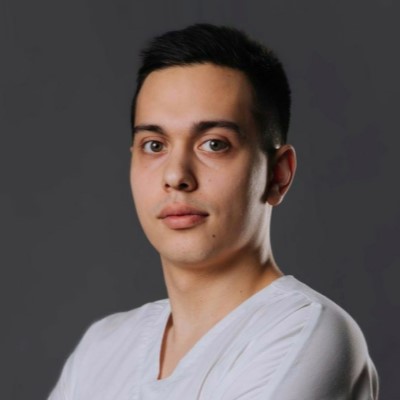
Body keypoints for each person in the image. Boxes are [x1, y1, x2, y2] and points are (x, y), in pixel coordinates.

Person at [48, 24, 379, 399]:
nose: (176, 176)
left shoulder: (307, 332)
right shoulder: (102, 348)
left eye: (214, 144)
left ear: (278, 174)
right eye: (154, 145)